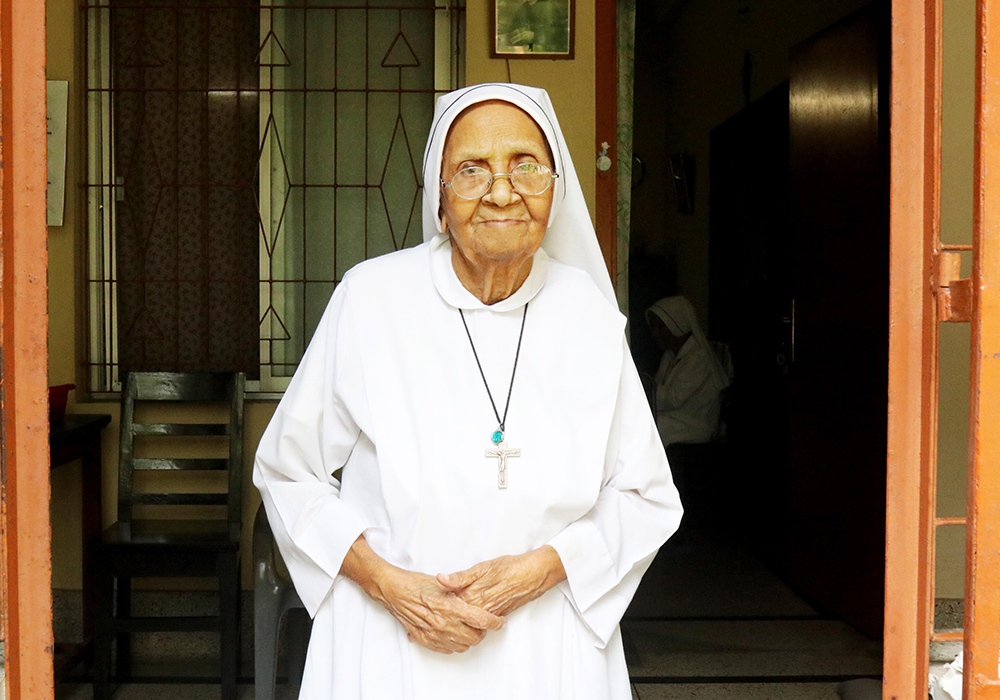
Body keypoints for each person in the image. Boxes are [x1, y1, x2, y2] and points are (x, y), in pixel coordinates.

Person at [254, 83, 682, 700]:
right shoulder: (371, 299)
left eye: (525, 166)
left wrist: (539, 572)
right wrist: (389, 586)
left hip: (548, 643)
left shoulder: (588, 314)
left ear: (555, 188)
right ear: (440, 198)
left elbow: (646, 496)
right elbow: (288, 471)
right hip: (393, 639)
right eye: (472, 169)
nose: (502, 192)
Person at [646, 296, 731, 446]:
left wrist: (645, 387)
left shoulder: (699, 357)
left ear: (677, 324)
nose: (655, 333)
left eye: (660, 327)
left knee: (642, 429)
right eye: (653, 327)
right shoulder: (670, 355)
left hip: (693, 424)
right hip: (673, 417)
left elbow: (674, 399)